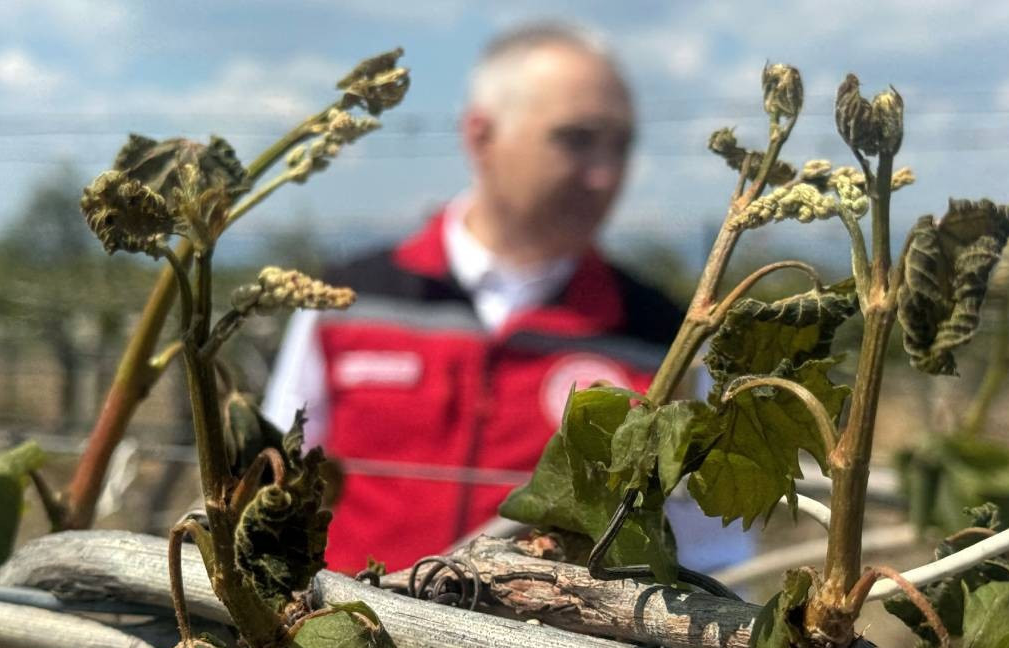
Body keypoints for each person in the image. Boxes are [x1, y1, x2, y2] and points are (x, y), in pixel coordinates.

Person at [264, 21, 750, 586]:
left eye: (621, 145)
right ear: (481, 137)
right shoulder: (347, 302)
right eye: (577, 139)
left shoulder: (663, 337)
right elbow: (275, 495)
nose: (606, 174)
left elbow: (712, 558)